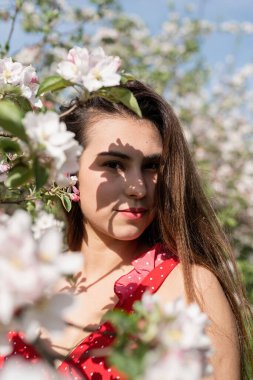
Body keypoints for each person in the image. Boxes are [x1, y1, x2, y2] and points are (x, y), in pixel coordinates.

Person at [1, 79, 252, 379]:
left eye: (151, 167)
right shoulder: (22, 281)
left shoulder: (189, 287)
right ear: (67, 170)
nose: (138, 187)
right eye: (114, 165)